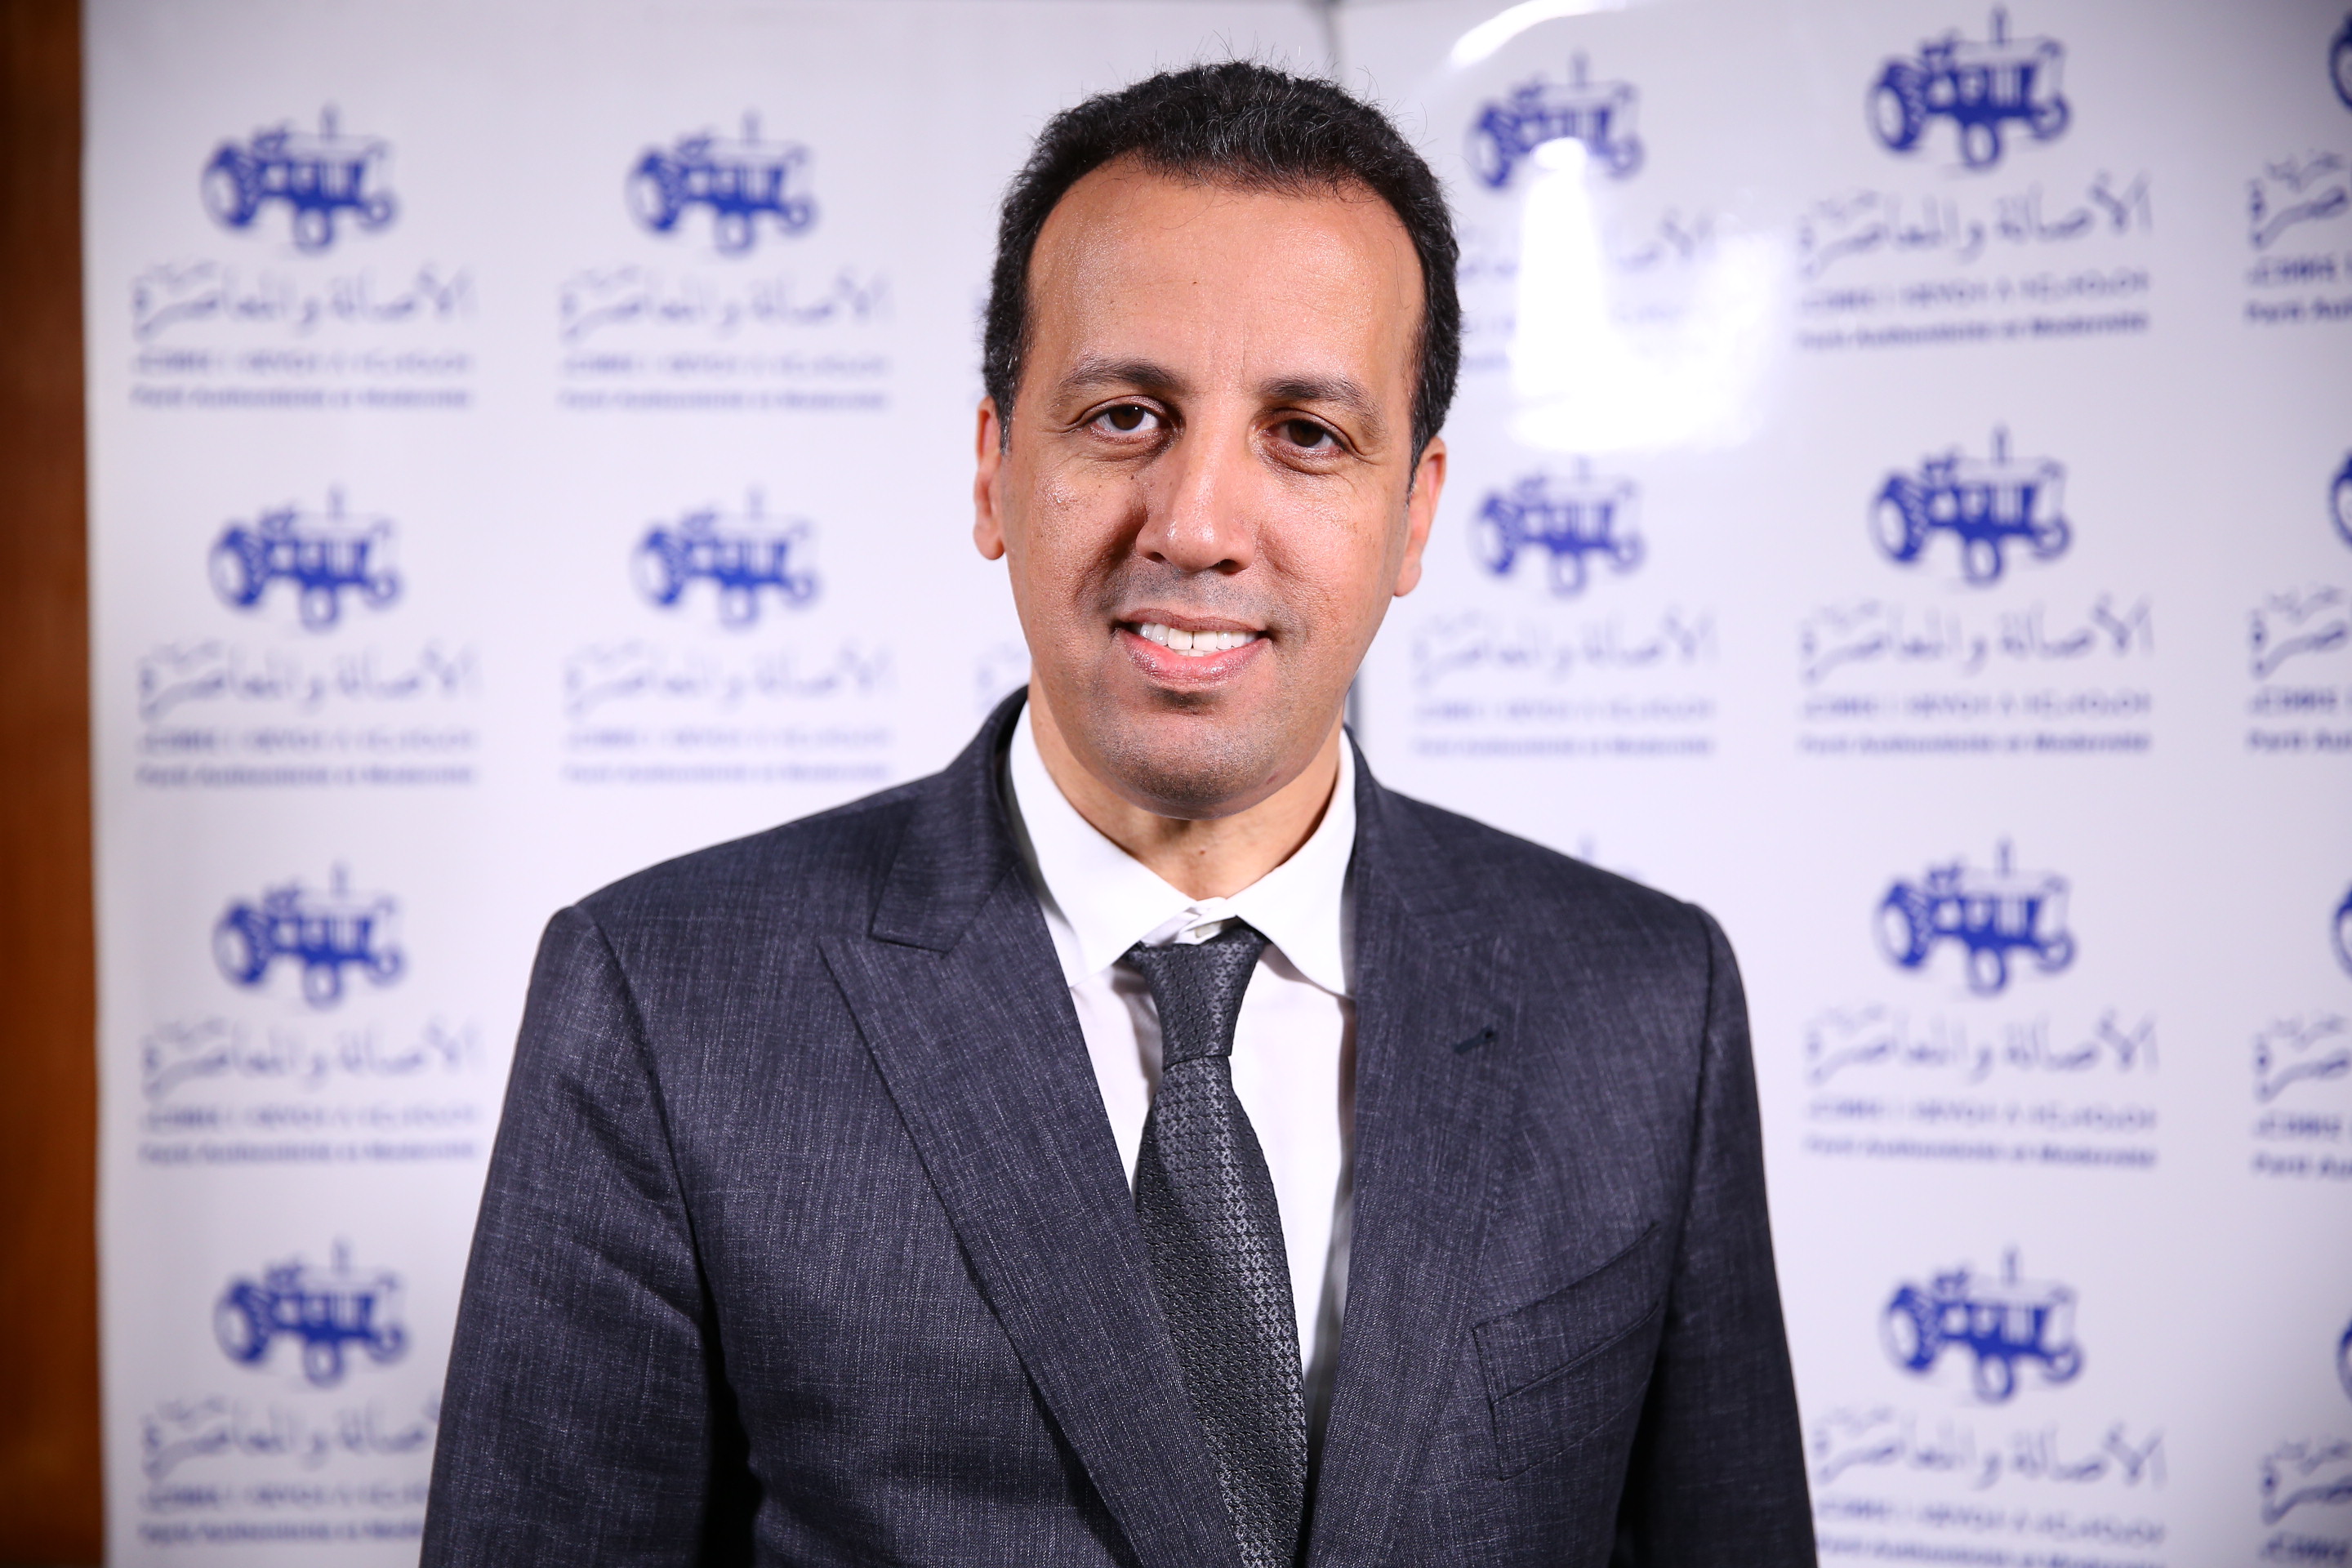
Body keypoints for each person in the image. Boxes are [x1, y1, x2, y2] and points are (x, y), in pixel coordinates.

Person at [422, 61, 1814, 1568]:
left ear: (1414, 513)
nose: (1198, 525)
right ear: (993, 471)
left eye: (1306, 433)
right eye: (1126, 415)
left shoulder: (1647, 1004)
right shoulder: (664, 999)